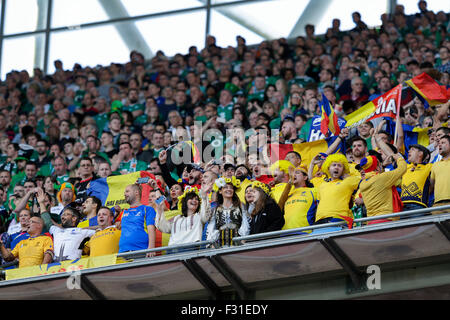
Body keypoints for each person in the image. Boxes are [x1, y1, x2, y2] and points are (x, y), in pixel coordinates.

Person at [358, 146, 407, 224]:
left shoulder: (362, 183)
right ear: (377, 168)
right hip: (385, 220)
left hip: (370, 222)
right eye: (380, 164)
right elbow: (402, 168)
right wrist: (398, 157)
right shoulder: (382, 178)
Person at [314, 153, 361, 229]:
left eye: (339, 166)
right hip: (320, 220)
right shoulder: (322, 185)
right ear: (328, 168)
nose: (336, 168)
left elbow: (365, 182)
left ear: (343, 170)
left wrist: (348, 176)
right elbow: (318, 204)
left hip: (339, 219)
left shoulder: (348, 181)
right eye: (334, 165)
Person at [206, 176, 249, 247]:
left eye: (231, 188)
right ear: (220, 191)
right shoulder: (215, 209)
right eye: (225, 187)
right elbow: (211, 228)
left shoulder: (240, 206)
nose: (229, 189)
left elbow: (245, 224)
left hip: (238, 246)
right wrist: (212, 245)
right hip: (220, 246)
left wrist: (243, 241)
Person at [118, 184, 157, 257]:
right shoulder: (123, 212)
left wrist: (151, 247)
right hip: (122, 252)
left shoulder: (147, 209)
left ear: (136, 192)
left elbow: (151, 229)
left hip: (141, 250)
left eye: (127, 191)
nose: (124, 194)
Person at [278, 165, 318, 233]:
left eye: (297, 173)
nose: (294, 175)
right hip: (284, 233)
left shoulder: (313, 191)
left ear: (305, 177)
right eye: (293, 173)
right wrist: (290, 182)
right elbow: (279, 207)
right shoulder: (287, 193)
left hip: (303, 232)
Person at [400, 144, 432, 214]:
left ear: (420, 154)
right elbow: (394, 155)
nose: (408, 151)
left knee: (417, 225)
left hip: (418, 205)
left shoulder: (429, 167)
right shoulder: (405, 167)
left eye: (412, 150)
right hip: (402, 206)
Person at [429, 135, 450, 213]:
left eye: (443, 143)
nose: (439, 145)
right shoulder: (435, 165)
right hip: (437, 204)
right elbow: (431, 186)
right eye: (439, 143)